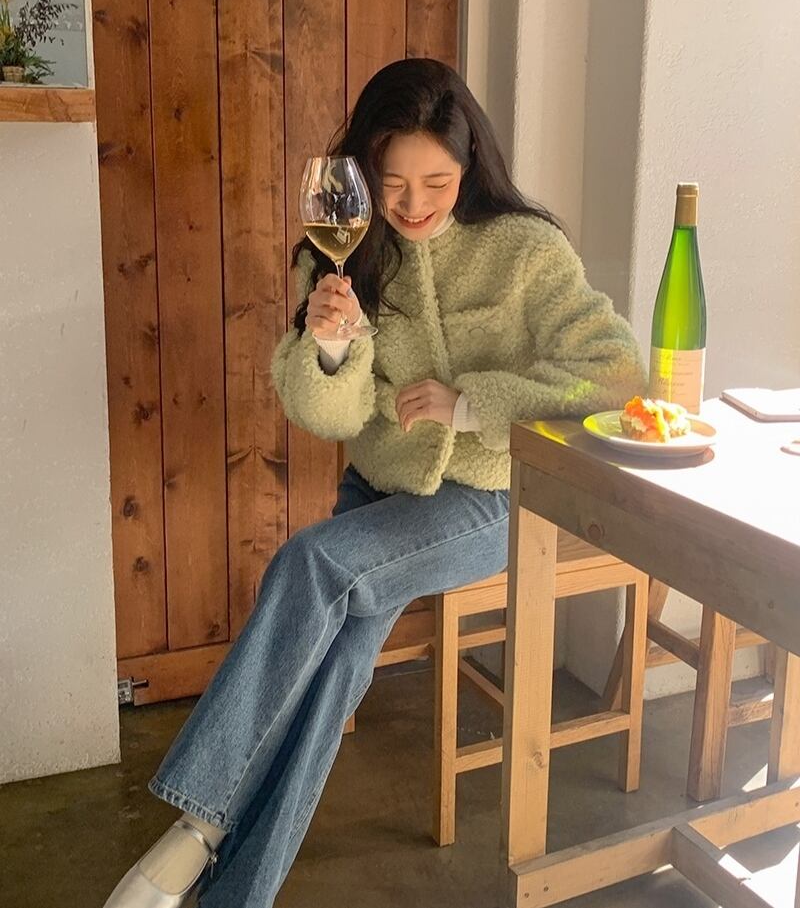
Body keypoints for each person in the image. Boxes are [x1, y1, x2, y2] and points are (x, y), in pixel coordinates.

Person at [103, 57, 646, 908]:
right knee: (331, 675)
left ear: (470, 165)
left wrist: (473, 404)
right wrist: (330, 349)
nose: (414, 204)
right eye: (392, 184)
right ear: (362, 174)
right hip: (378, 493)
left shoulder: (526, 249)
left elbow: (615, 377)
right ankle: (233, 894)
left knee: (313, 563)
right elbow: (329, 415)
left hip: (488, 495)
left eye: (437, 181)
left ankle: (196, 824)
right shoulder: (339, 255)